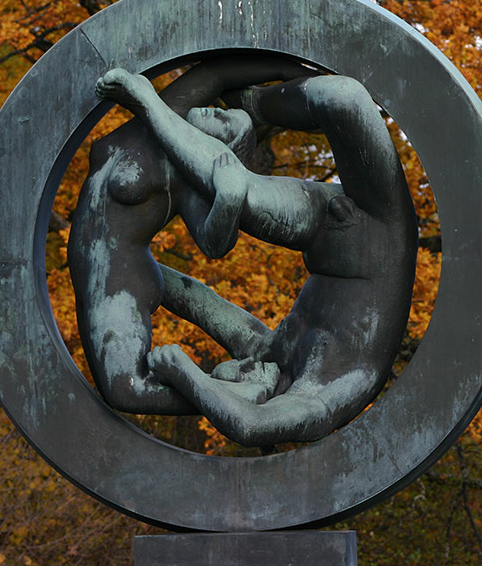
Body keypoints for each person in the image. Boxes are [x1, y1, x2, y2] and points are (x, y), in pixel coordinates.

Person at [92, 67, 418, 447]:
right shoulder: (322, 396)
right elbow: (250, 427)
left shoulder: (263, 352)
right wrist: (185, 373)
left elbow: (195, 298)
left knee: (236, 192)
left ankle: (154, 104)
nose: (236, 366)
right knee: (343, 97)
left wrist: (117, 255)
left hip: (327, 234)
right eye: (235, 376)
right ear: (259, 393)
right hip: (383, 230)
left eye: (224, 371)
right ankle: (256, 107)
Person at [67, 56, 317, 415]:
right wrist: (302, 75)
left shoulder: (185, 186)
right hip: (91, 265)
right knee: (125, 389)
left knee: (127, 391)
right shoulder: (163, 111)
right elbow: (217, 72)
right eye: (222, 111)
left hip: (119, 277)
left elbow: (215, 245)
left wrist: (229, 199)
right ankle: (238, 391)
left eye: (224, 122)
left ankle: (241, 394)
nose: (214, 112)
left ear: (215, 149)